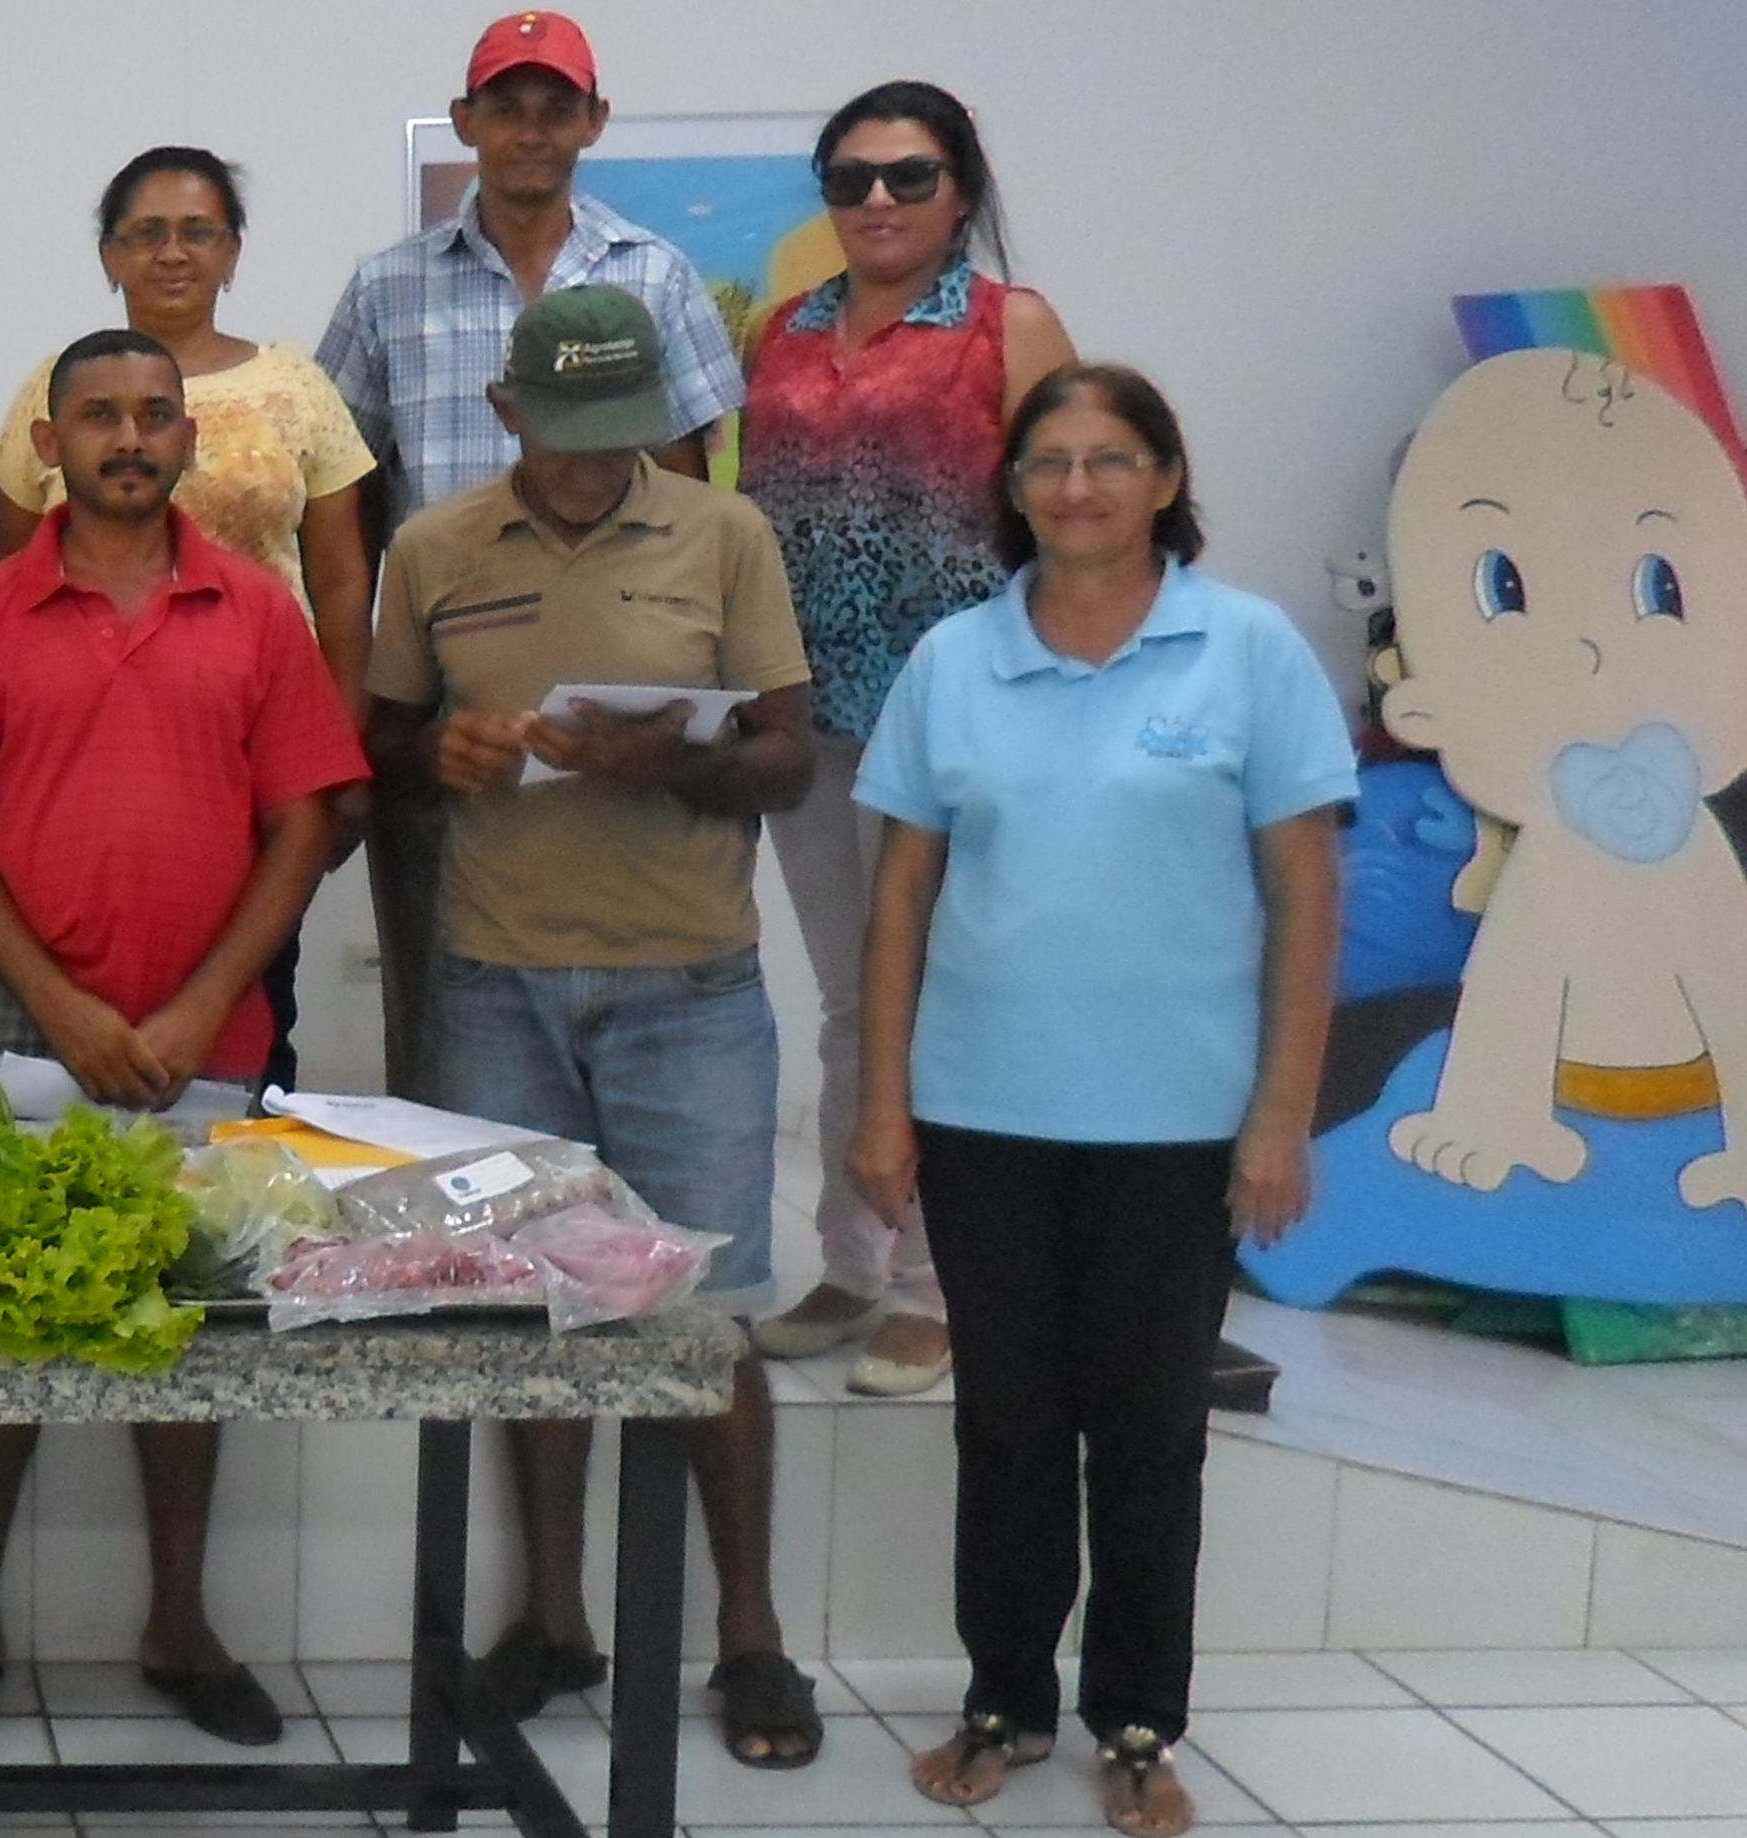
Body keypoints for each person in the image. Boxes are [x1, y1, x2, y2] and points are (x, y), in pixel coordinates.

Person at [859, 365, 1350, 1838]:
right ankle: (1002, 1696)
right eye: (1051, 462)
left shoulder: (1248, 649)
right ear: (1011, 489)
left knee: (1148, 1430)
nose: (1079, 488)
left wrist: (1280, 1115)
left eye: (1111, 459)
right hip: (982, 1114)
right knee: (1007, 1423)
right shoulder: (955, 657)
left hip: (1180, 1127)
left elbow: (1307, 893)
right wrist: (881, 1105)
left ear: (1164, 477)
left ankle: (1137, 1717)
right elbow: (900, 898)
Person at [0, 329, 362, 1748]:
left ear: (190, 443)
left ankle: (181, 1619)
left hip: (216, 1017)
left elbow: (306, 822)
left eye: (156, 415)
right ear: (51, 448)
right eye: (99, 416)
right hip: (32, 1025)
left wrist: (210, 996)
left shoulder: (261, 618)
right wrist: (65, 1005)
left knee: (192, 1331)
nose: (130, 438)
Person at [359, 287, 823, 1769]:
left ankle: (748, 1632)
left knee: (708, 1321)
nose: (587, 465)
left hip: (690, 989)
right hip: (496, 981)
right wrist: (441, 751)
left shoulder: (725, 535)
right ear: (506, 416)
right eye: (562, 436)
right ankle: (555, 1617)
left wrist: (660, 759)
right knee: (531, 1315)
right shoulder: (433, 550)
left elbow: (789, 758)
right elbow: (379, 745)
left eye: (620, 436)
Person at [315, 8, 744, 1108]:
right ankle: (461, 1264)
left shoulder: (657, 274)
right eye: (506, 108)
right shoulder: (385, 287)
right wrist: (372, 704)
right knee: (440, 1010)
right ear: (467, 122)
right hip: (448, 696)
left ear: (595, 122)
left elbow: (694, 487)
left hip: (619, 693)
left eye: (558, 109)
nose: (531, 131)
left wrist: (674, 686)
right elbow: (344, 498)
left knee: (644, 1008)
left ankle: (631, 1259)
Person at [739, 80, 1079, 1399]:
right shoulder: (786, 329)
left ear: (964, 193)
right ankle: (850, 1263)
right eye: (850, 180)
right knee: (846, 1002)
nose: (876, 201)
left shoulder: (1012, 324)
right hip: (811, 717)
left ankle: (941, 1285)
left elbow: (1073, 505)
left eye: (908, 176)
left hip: (956, 721)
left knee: (937, 1002)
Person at [0, 149, 373, 702]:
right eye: (147, 234)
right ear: (109, 258)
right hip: (83, 696)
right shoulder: (56, 386)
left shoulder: (295, 384)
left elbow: (340, 583)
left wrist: (342, 734)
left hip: (269, 698)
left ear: (232, 253)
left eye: (197, 232)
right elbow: (9, 570)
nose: (172, 253)